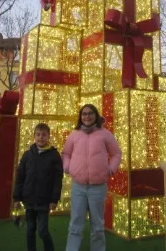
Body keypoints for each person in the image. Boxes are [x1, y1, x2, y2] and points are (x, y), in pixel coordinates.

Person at [62, 104, 120, 251]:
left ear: (96, 115)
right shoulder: (74, 134)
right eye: (84, 114)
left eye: (90, 114)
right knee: (75, 222)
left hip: (98, 187)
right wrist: (67, 166)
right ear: (80, 117)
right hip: (78, 186)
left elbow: (116, 154)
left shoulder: (105, 134)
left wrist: (111, 169)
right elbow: (66, 153)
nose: (87, 116)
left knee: (98, 225)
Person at [13, 122, 64, 251]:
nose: (41, 137)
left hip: (44, 200)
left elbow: (58, 179)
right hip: (29, 199)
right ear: (34, 136)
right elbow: (20, 177)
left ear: (49, 137)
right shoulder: (27, 155)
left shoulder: (54, 155)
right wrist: (17, 198)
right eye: (38, 134)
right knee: (30, 229)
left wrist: (54, 199)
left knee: (42, 231)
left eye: (44, 135)